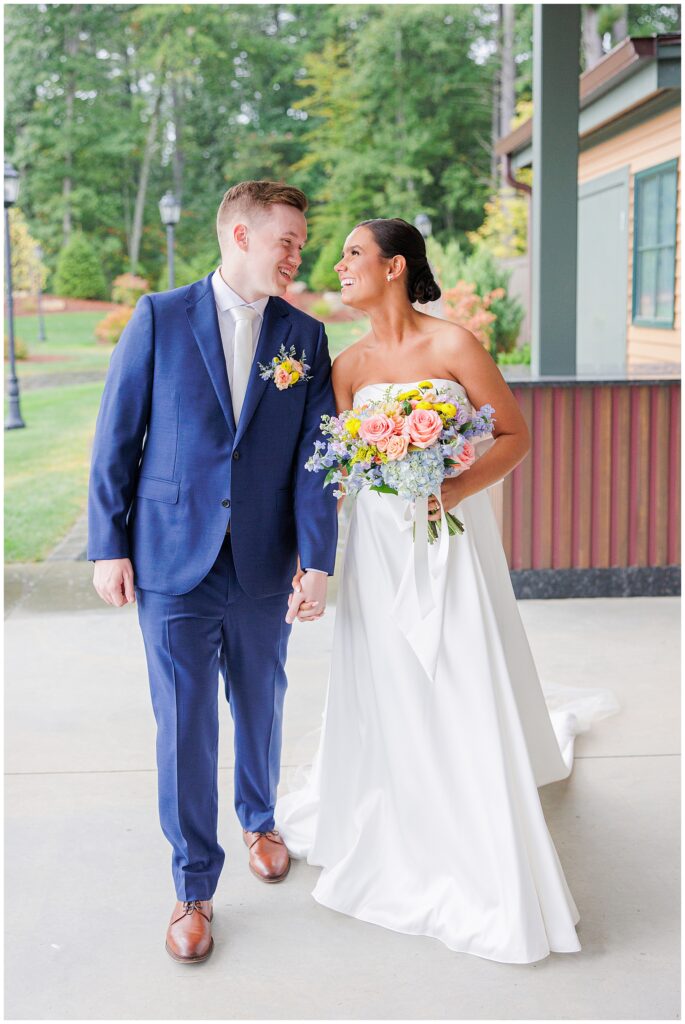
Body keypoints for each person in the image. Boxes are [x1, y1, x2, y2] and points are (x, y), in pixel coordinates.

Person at [276, 217, 619, 964]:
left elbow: (513, 436)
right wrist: (312, 562)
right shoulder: (347, 365)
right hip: (376, 546)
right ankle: (397, 807)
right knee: (389, 675)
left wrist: (451, 488)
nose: (339, 266)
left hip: (446, 537)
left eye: (353, 255)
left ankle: (473, 822)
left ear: (395, 267)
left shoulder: (454, 344)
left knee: (457, 672)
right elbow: (336, 474)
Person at [87, 180, 337, 963]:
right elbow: (116, 435)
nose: (297, 254)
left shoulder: (304, 336)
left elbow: (312, 461)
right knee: (185, 725)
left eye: (301, 241)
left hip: (263, 562)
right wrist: (108, 545)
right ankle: (193, 886)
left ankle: (259, 818)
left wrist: (318, 560)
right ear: (238, 234)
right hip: (170, 559)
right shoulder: (160, 317)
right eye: (286, 240)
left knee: (260, 703)